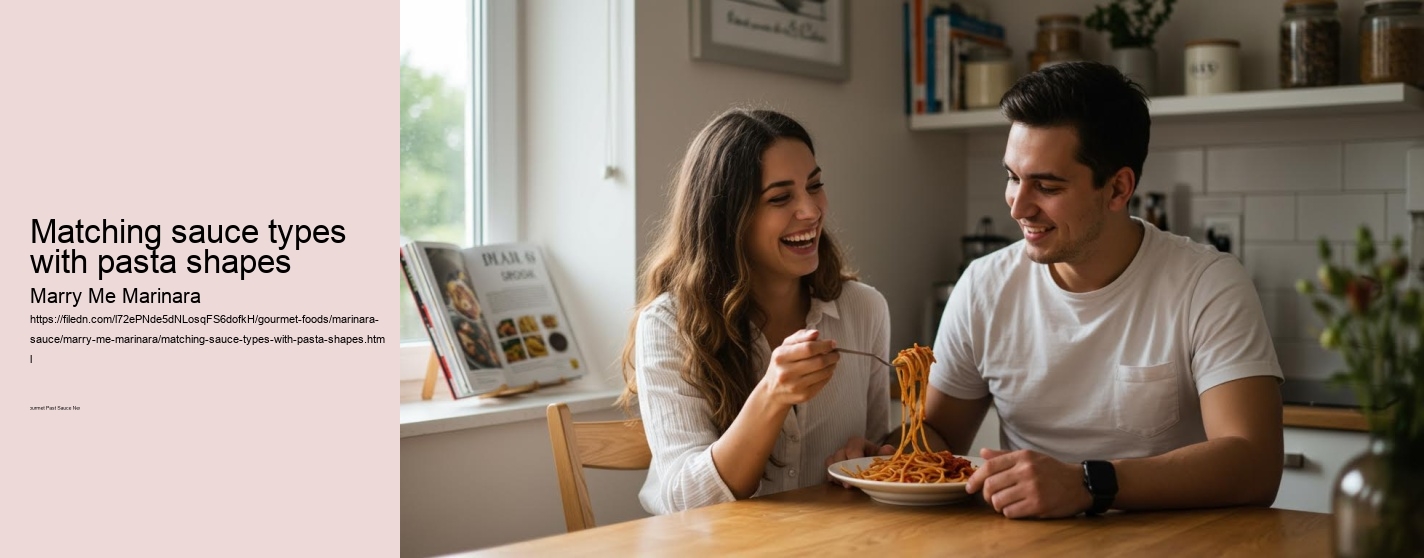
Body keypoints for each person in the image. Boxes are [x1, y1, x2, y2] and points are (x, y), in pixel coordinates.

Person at [926, 62, 1284, 518]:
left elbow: (1255, 464)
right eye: (1013, 177)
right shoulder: (983, 285)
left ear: (1118, 188)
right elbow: (937, 436)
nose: (1018, 206)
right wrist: (877, 454)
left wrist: (1087, 484)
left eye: (1047, 185)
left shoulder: (1207, 283)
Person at [619, 108, 893, 514]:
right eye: (781, 197)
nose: (811, 210)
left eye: (814, 186)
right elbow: (686, 502)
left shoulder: (865, 308)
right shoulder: (666, 324)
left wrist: (870, 457)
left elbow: (875, 454)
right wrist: (772, 395)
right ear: (728, 218)